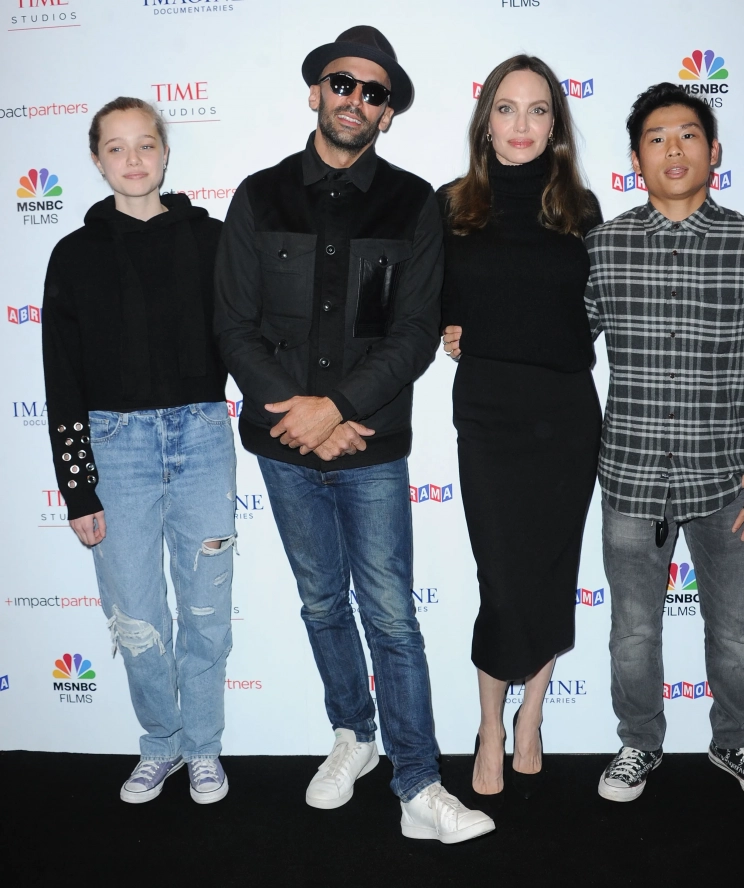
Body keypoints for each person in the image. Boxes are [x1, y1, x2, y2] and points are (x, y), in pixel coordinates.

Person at [214, 26, 494, 843]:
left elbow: (413, 334)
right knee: (320, 602)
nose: (356, 100)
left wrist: (334, 408)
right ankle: (353, 736)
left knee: (392, 615)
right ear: (317, 91)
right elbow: (233, 326)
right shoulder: (259, 195)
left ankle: (418, 784)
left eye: (375, 93)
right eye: (343, 83)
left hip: (369, 442)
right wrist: (302, 416)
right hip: (282, 444)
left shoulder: (414, 203)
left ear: (388, 113)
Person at [584, 82, 744, 803]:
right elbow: (554, 340)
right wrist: (474, 328)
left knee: (735, 635)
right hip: (632, 476)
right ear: (635, 159)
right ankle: (638, 744)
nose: (672, 149)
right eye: (655, 138)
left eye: (687, 135)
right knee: (632, 635)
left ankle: (735, 742)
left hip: (731, 483)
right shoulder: (603, 247)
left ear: (714, 151)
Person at [42, 97, 236, 805]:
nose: (133, 159)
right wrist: (77, 487)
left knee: (207, 611)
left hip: (202, 437)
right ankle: (162, 743)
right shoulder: (73, 255)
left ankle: (204, 747)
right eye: (116, 147)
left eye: (145, 144)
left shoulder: (213, 241)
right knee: (137, 616)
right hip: (114, 449)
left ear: (165, 153)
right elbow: (61, 377)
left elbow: (248, 339)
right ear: (97, 161)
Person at [439, 55, 602, 797]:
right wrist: (449, 327)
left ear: (555, 124)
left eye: (538, 110)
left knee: (550, 573)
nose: (522, 125)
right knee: (501, 580)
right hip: (489, 412)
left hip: (565, 414)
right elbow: (426, 303)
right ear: (486, 122)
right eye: (507, 108)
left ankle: (531, 714)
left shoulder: (580, 210)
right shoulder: (450, 207)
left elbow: (592, 318)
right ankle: (488, 725)